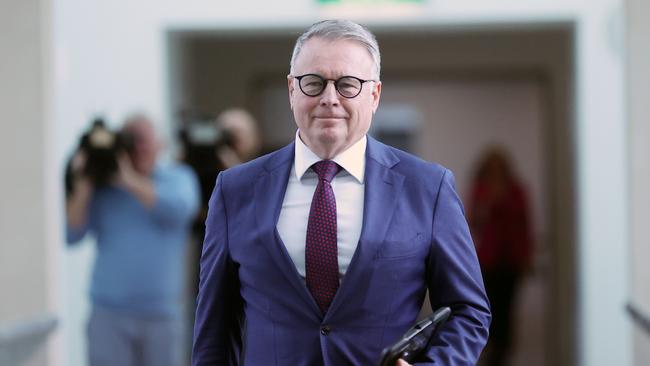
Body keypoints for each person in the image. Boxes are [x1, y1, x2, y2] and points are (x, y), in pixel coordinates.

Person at [192, 20, 490, 366]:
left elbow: (467, 311)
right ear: (292, 90)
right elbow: (214, 329)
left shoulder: (427, 188)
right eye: (313, 83)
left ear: (374, 94)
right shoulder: (235, 190)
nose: (329, 99)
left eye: (348, 84)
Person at [66, 114, 200, 366]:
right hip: (109, 315)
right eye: (132, 141)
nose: (140, 148)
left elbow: (180, 211)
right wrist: (83, 182)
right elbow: (71, 234)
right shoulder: (103, 188)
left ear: (161, 144)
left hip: (162, 315)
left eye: (145, 141)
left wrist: (127, 180)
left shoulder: (178, 178)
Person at [467, 146, 533, 366]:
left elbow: (525, 225)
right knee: (489, 308)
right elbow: (473, 221)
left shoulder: (517, 191)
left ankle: (503, 353)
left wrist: (527, 257)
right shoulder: (480, 190)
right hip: (487, 260)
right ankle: (489, 349)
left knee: (507, 310)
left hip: (511, 260)